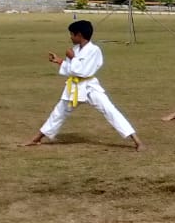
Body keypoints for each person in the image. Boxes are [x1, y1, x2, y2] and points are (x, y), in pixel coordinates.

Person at [23, 20, 143, 150]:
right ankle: (37, 139)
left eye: (72, 34)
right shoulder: (74, 49)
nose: (70, 37)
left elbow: (82, 71)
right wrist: (60, 61)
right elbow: (70, 70)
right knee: (59, 112)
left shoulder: (94, 50)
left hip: (90, 86)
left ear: (79, 35)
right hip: (75, 87)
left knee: (110, 110)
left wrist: (72, 58)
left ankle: (137, 141)